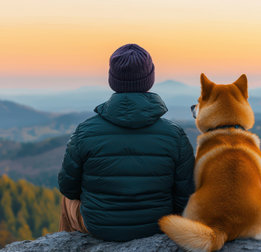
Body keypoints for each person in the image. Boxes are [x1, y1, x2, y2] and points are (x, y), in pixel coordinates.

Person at [58, 43, 195, 242]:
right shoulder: (174, 135)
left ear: (112, 80)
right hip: (158, 226)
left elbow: (68, 187)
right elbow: (186, 196)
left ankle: (67, 244)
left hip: (100, 227)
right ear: (150, 79)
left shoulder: (85, 132)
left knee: (66, 200)